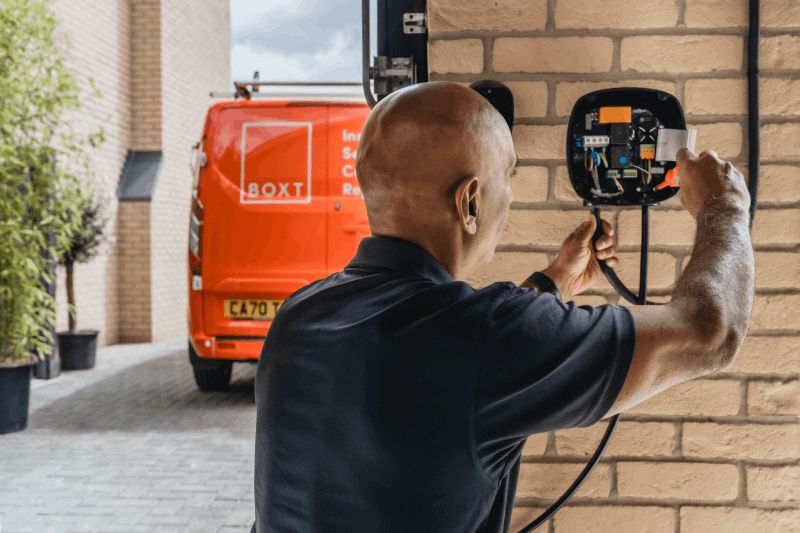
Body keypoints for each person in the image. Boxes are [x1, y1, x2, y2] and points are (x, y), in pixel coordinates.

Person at [251, 81, 754, 533]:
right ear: (469, 201)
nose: (509, 196)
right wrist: (725, 208)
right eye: (507, 175)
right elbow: (708, 333)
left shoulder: (298, 317)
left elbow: (449, 368)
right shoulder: (484, 337)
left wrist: (553, 282)